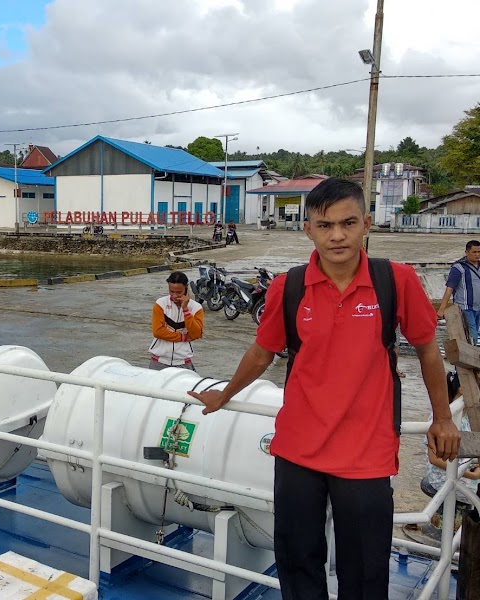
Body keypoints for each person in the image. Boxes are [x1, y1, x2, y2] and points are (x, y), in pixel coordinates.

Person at [188, 178, 460, 599]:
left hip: (366, 453)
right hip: (298, 449)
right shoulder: (289, 287)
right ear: (308, 229)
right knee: (298, 562)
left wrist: (442, 418)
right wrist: (224, 394)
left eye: (348, 223)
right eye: (325, 224)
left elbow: (427, 351)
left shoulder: (396, 281)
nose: (337, 235)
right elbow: (262, 352)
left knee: (366, 571)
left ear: (366, 223)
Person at [421, 371, 479, 513]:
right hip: (447, 476)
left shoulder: (466, 415)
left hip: (462, 471)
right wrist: (471, 475)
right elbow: (434, 459)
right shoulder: (444, 417)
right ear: (462, 388)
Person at [148, 271, 204, 370]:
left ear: (186, 289)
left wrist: (186, 310)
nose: (174, 296)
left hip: (183, 361)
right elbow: (158, 332)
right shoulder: (160, 304)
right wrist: (183, 337)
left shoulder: (196, 308)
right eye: (171, 291)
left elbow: (196, 333)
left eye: (178, 292)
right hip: (159, 360)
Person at [437, 240, 480, 344]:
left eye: (479, 252)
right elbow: (449, 289)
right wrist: (442, 309)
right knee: (472, 336)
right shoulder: (458, 268)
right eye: (474, 252)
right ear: (466, 252)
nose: (477, 255)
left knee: (473, 335)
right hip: (465, 308)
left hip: (478, 308)